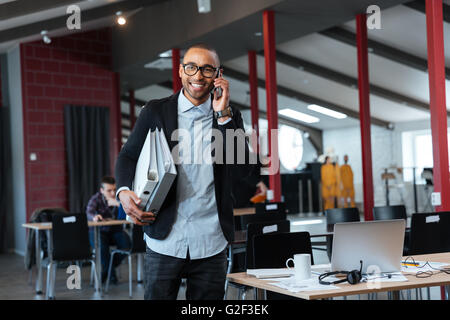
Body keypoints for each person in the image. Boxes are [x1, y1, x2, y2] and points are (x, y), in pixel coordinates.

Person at [115, 43, 255, 300]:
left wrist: (223, 116)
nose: (198, 76)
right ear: (181, 71)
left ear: (218, 75)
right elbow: (128, 155)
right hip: (165, 237)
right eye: (191, 67)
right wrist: (123, 192)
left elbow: (244, 169)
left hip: (211, 239)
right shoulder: (155, 111)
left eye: (207, 69)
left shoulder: (229, 115)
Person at [86, 176, 131, 284]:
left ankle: (107, 270)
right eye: (109, 190)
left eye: (114, 190)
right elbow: (89, 212)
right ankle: (111, 274)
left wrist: (118, 204)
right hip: (99, 231)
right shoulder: (96, 198)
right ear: (102, 191)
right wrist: (95, 217)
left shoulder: (119, 198)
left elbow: (127, 214)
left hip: (115, 230)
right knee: (102, 249)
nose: (112, 193)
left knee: (127, 246)